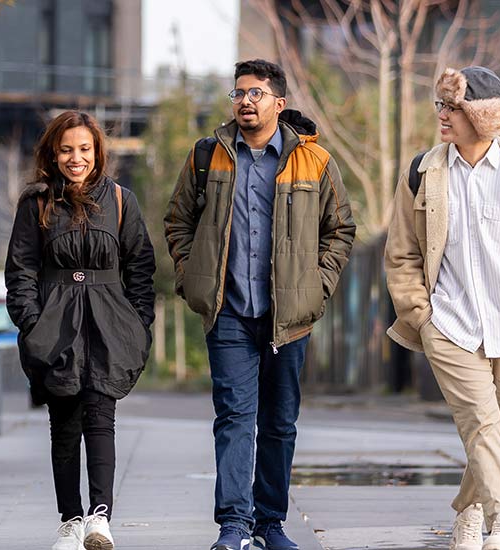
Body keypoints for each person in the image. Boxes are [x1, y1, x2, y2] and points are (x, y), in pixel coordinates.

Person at [164, 59, 357, 550]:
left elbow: (341, 230)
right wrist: (194, 279)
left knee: (279, 421)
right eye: (239, 93)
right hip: (227, 311)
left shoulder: (314, 161)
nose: (245, 101)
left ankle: (270, 523)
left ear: (279, 102)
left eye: (256, 93)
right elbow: (178, 220)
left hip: (288, 317)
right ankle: (233, 525)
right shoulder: (209, 155)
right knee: (233, 417)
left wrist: (317, 288)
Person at [384, 66, 500, 550]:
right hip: (449, 324)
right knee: (481, 423)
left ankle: (468, 512)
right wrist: (420, 318)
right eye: (440, 106)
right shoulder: (422, 174)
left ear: (484, 117)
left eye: (454, 108)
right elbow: (401, 252)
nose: (442, 116)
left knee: (494, 434)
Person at [5, 111, 156, 550]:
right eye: (67, 149)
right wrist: (33, 323)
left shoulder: (122, 201)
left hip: (110, 324)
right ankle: (70, 520)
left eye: (85, 149)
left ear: (98, 152)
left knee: (101, 418)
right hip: (55, 324)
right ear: (54, 153)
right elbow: (21, 271)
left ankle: (100, 518)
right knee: (64, 423)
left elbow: (141, 268)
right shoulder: (36, 204)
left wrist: (138, 324)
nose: (76, 158)